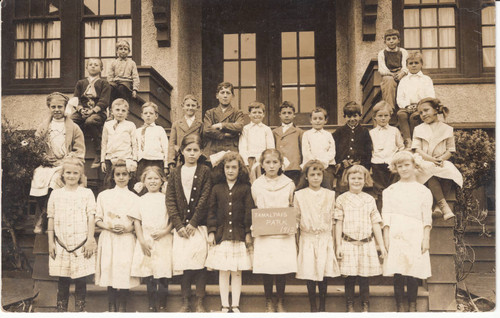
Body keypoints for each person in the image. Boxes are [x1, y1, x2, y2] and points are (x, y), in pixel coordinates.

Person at [166, 134, 212, 312]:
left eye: (196, 150)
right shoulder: (176, 172)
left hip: (198, 227)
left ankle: (200, 301)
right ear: (182, 151)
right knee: (184, 263)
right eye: (188, 150)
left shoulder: (204, 171)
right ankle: (185, 301)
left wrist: (193, 222)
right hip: (181, 229)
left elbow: (205, 197)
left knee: (199, 264)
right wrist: (178, 225)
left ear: (201, 152)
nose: (192, 154)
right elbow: (170, 199)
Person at [382, 151, 432, 312]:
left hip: (415, 232)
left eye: (406, 165)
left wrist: (426, 238)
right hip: (397, 231)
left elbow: (426, 218)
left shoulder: (423, 191)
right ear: (395, 168)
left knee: (412, 270)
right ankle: (400, 307)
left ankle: (412, 305)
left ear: (414, 166)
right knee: (398, 270)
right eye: (399, 166)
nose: (403, 169)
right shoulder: (390, 190)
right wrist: (386, 237)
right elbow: (387, 215)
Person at [205, 152, 254, 313]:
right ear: (222, 169)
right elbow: (211, 212)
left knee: (236, 271)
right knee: (224, 271)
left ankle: (236, 305)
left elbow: (249, 212)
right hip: (222, 235)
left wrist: (248, 232)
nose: (230, 171)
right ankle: (225, 304)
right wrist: (211, 232)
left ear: (240, 170)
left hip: (239, 236)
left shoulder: (245, 189)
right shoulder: (217, 189)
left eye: (234, 167)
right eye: (227, 167)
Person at [30, 92, 85, 234]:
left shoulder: (73, 127)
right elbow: (35, 147)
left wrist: (69, 158)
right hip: (48, 163)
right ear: (49, 107)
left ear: (65, 107)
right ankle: (43, 216)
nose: (56, 110)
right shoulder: (44, 127)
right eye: (53, 107)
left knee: (55, 180)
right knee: (39, 176)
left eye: (60, 106)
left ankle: (47, 218)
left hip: (65, 164)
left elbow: (79, 150)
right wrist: (43, 157)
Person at [334, 165, 387, 312]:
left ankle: (365, 306)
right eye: (353, 178)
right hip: (348, 242)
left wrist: (381, 245)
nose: (356, 181)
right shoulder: (341, 199)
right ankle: (349, 306)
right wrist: (338, 245)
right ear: (347, 179)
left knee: (365, 278)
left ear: (365, 180)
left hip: (366, 243)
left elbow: (376, 223)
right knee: (349, 277)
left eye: (360, 178)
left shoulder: (370, 199)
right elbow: (338, 223)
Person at [47, 157, 96, 312]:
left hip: (81, 244)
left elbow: (91, 217)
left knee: (81, 281)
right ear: (63, 174)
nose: (71, 176)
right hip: (61, 244)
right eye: (68, 172)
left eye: (75, 173)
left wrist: (90, 239)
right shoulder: (55, 194)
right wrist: (50, 242)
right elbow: (51, 218)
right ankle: (61, 312)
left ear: (80, 175)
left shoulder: (87, 193)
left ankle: (80, 311)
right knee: (63, 281)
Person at [251, 149, 297, 313]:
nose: (271, 166)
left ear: (281, 164)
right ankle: (269, 300)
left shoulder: (289, 183)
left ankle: (280, 300)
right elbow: (256, 204)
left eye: (275, 162)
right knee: (267, 267)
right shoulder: (257, 184)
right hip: (265, 232)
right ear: (262, 165)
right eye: (268, 163)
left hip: (282, 233)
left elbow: (291, 204)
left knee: (281, 267)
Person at [294, 160, 340, 312]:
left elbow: (333, 220)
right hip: (307, 238)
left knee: (323, 272)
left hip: (324, 237)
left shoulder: (330, 194)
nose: (315, 177)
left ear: (323, 176)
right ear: (306, 177)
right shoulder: (299, 195)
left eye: (318, 174)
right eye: (312, 174)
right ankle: (313, 306)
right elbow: (296, 219)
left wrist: (334, 241)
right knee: (310, 272)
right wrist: (297, 243)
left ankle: (322, 306)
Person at [95, 160, 141, 312]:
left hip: (126, 239)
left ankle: (122, 308)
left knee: (124, 271)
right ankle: (111, 307)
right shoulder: (104, 195)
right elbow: (97, 219)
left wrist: (128, 228)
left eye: (124, 174)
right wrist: (108, 226)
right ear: (112, 177)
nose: (121, 177)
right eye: (118, 174)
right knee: (110, 269)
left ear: (129, 177)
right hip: (109, 238)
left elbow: (137, 222)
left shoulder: (135, 198)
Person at [412, 98, 463, 220]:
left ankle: (438, 208)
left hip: (441, 160)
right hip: (424, 160)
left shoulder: (447, 129)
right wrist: (431, 159)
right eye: (421, 113)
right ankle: (443, 206)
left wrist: (441, 159)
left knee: (448, 170)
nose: (423, 114)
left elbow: (450, 150)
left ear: (436, 110)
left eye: (426, 110)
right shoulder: (418, 129)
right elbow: (417, 149)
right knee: (428, 171)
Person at [130, 167, 173, 312]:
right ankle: (152, 305)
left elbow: (173, 219)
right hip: (146, 239)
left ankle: (162, 305)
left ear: (162, 181)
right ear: (144, 181)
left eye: (156, 178)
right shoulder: (140, 200)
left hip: (164, 239)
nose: (153, 181)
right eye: (149, 178)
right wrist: (141, 240)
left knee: (163, 272)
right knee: (149, 273)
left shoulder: (167, 198)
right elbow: (136, 221)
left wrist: (165, 231)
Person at [71, 58, 111, 168]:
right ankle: (72, 149)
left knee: (90, 121)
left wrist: (93, 111)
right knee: (70, 121)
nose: (93, 66)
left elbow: (104, 101)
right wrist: (80, 109)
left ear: (101, 68)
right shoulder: (81, 83)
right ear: (87, 67)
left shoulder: (104, 83)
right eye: (91, 64)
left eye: (96, 65)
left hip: (98, 112)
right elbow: (76, 99)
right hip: (82, 110)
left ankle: (98, 151)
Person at [369, 101, 404, 211]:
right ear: (375, 117)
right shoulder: (372, 133)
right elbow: (370, 149)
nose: (383, 118)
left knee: (393, 190)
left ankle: (393, 214)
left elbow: (401, 147)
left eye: (386, 116)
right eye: (380, 116)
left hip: (392, 164)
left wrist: (395, 160)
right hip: (377, 164)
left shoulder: (394, 131)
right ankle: (381, 216)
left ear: (390, 117)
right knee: (380, 191)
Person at [396, 52, 436, 147]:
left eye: (416, 63)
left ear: (421, 64)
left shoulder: (426, 79)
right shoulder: (404, 80)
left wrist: (419, 105)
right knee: (401, 114)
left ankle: (415, 141)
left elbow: (430, 96)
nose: (413, 65)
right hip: (406, 107)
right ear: (407, 66)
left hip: (421, 107)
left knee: (414, 117)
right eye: (411, 63)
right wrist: (407, 106)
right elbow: (400, 97)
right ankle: (408, 140)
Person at [332, 102, 372, 195]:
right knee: (342, 191)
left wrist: (364, 166)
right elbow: (333, 149)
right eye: (349, 117)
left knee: (358, 190)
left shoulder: (364, 131)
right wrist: (341, 161)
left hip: (359, 168)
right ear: (344, 117)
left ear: (360, 116)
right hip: (343, 168)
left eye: (355, 116)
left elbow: (368, 151)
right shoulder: (339, 132)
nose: (352, 119)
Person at [202, 82, 245, 165]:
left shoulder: (237, 113)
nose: (225, 96)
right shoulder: (210, 113)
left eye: (228, 93)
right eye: (222, 92)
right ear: (217, 96)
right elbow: (207, 130)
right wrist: (225, 135)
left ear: (232, 96)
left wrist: (221, 125)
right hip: (213, 150)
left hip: (230, 149)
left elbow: (239, 127)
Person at [101, 98, 137, 190]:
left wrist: (135, 159)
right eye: (117, 110)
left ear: (127, 113)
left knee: (126, 182)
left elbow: (134, 144)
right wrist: (102, 160)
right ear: (111, 111)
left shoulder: (130, 125)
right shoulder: (108, 125)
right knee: (109, 182)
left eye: (123, 111)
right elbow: (104, 143)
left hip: (125, 159)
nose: (120, 113)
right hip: (110, 159)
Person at [239, 101, 275, 182]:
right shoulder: (246, 129)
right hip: (250, 160)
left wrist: (267, 161)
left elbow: (270, 148)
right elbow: (242, 147)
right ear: (249, 114)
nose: (257, 114)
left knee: (263, 181)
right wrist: (245, 163)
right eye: (254, 112)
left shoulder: (266, 129)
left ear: (263, 114)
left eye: (259, 112)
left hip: (263, 161)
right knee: (250, 181)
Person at [301, 107, 336, 189]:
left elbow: (332, 151)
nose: (317, 121)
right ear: (311, 120)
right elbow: (306, 151)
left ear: (325, 120)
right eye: (315, 118)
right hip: (311, 165)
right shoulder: (307, 134)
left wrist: (323, 162)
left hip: (326, 166)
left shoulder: (328, 135)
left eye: (320, 118)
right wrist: (314, 162)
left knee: (327, 186)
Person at [134, 102, 169, 179]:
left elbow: (166, 148)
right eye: (145, 113)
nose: (148, 115)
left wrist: (166, 165)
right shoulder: (137, 131)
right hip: (142, 162)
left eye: (151, 113)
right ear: (142, 116)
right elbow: (135, 148)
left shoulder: (159, 129)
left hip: (157, 161)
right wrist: (135, 162)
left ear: (156, 116)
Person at [272, 101, 303, 185]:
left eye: (289, 113)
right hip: (279, 167)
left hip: (294, 167)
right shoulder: (275, 132)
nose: (286, 115)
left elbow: (302, 150)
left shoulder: (299, 132)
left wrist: (301, 165)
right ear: (279, 115)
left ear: (294, 115)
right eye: (284, 113)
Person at [168, 94, 203, 168]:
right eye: (188, 105)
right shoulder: (176, 124)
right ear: (183, 106)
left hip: (195, 159)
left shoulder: (200, 124)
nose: (190, 108)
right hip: (180, 159)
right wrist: (171, 161)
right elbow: (172, 144)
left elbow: (203, 143)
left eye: (193, 105)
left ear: (197, 107)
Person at [377, 29, 408, 109]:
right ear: (385, 42)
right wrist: (391, 74)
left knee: (407, 80)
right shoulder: (382, 53)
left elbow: (406, 66)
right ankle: (389, 108)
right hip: (389, 74)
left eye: (394, 38)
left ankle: (406, 106)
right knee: (389, 81)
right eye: (388, 39)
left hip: (401, 73)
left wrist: (402, 73)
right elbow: (382, 69)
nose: (391, 41)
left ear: (398, 40)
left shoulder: (403, 51)